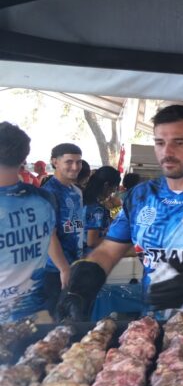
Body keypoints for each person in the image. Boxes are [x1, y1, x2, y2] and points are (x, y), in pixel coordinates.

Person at [56, 105, 183, 320]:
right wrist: (79, 288)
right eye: (160, 143)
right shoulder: (140, 196)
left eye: (179, 142)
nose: (167, 152)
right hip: (152, 327)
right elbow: (108, 251)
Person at [0, 123, 66, 322]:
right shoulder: (43, 199)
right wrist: (64, 268)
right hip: (37, 313)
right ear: (23, 158)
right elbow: (50, 236)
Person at [40, 142, 83, 314]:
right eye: (69, 162)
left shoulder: (77, 191)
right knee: (54, 319)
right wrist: (63, 268)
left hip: (75, 265)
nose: (75, 167)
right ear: (55, 162)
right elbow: (48, 235)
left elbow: (76, 228)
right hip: (54, 270)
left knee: (74, 319)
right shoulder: (47, 193)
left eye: (79, 162)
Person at [82, 166, 121, 257]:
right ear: (106, 185)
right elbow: (92, 242)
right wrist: (115, 241)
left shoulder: (82, 200)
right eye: (113, 189)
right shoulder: (97, 209)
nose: (112, 193)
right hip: (89, 256)